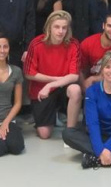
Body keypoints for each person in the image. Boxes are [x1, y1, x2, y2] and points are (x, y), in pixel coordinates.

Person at [24, 10, 82, 139]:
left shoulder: (74, 44)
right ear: (49, 27)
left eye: (64, 27)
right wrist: (52, 82)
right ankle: (49, 115)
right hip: (41, 89)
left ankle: (70, 132)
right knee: (44, 134)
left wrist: (52, 85)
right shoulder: (36, 44)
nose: (60, 31)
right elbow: (29, 74)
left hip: (63, 86)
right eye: (57, 27)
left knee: (75, 89)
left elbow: (74, 76)